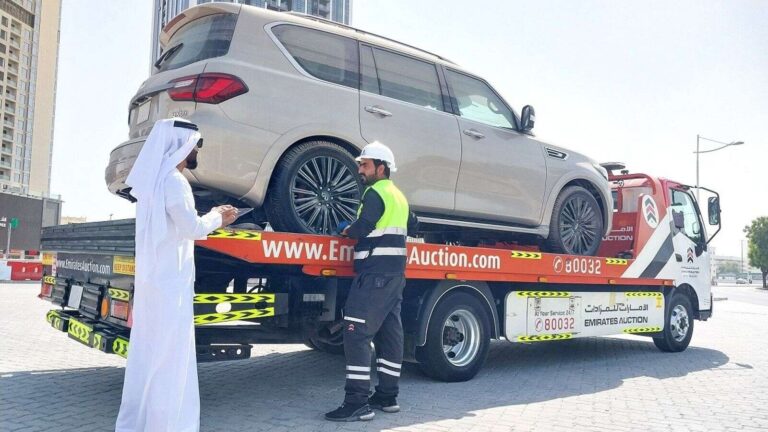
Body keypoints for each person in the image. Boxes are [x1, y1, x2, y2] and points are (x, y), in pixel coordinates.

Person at [116, 118, 237, 432]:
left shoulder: (153, 182)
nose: (197, 150)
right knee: (170, 358)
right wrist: (218, 216)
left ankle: (142, 423)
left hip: (153, 281)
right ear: (182, 144)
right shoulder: (174, 180)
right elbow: (191, 227)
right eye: (196, 143)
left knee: (150, 356)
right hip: (170, 285)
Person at [325, 142, 417, 422]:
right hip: (394, 275)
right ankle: (387, 396)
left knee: (356, 334)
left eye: (365, 165)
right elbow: (414, 224)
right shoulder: (399, 196)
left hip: (373, 275)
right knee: (389, 335)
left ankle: (356, 402)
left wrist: (346, 229)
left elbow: (363, 227)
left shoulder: (374, 192)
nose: (360, 170)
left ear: (381, 168)